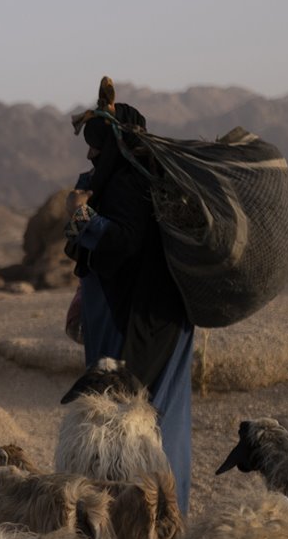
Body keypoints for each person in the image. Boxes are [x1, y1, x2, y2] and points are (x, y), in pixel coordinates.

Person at [65, 90, 195, 513]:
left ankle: (147, 517)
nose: (89, 153)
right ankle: (156, 517)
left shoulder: (130, 182)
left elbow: (125, 240)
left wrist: (84, 216)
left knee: (139, 421)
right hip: (144, 318)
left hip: (141, 324)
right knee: (153, 419)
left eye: (96, 144)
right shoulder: (127, 177)